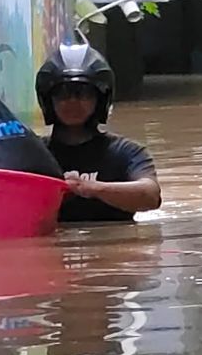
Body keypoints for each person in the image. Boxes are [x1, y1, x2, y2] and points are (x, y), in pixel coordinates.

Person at [35, 42, 162, 222]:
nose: (73, 103)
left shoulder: (126, 152)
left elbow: (150, 196)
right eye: (63, 94)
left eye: (83, 94)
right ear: (48, 101)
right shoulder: (33, 153)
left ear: (100, 100)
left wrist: (91, 188)